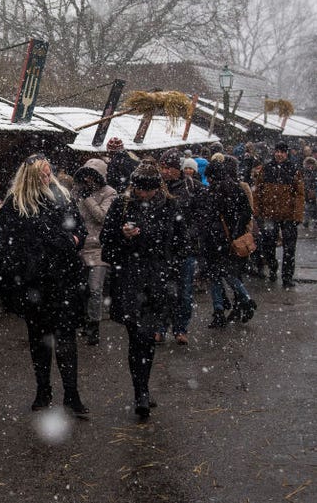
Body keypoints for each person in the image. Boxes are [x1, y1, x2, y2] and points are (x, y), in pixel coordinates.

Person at [0, 153, 89, 417]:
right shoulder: (16, 205)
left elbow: (80, 230)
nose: (47, 178)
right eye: (41, 174)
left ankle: (71, 394)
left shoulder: (63, 197)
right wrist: (22, 266)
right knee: (39, 340)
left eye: (49, 173)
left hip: (64, 280)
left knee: (66, 339)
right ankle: (43, 390)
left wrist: (73, 241)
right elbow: (5, 243)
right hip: (34, 284)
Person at [100, 163, 184, 419]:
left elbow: (179, 242)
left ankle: (143, 387)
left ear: (157, 188)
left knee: (147, 338)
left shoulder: (170, 207)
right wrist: (123, 236)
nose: (143, 195)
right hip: (129, 280)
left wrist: (172, 272)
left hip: (157, 280)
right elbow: (106, 240)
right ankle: (141, 392)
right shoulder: (121, 205)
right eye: (139, 190)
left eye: (147, 191)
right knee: (137, 336)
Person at [156, 148, 206, 345]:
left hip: (186, 249)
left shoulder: (194, 188)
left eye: (169, 167)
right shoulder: (158, 189)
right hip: (163, 250)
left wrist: (186, 235)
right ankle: (160, 328)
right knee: (162, 291)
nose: (165, 171)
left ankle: (180, 329)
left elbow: (201, 218)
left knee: (184, 292)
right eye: (163, 167)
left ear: (178, 168)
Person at [202, 159, 258, 327]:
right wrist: (236, 232)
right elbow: (247, 212)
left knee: (217, 276)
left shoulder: (212, 192)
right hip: (231, 241)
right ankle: (244, 301)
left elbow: (208, 218)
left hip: (215, 241)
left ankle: (220, 311)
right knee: (228, 274)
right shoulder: (236, 189)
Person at [73, 158, 117, 346]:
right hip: (80, 247)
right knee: (81, 289)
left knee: (95, 289)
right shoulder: (77, 192)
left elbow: (102, 217)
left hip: (99, 248)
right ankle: (83, 320)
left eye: (93, 176)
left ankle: (94, 326)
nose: (89, 181)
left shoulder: (110, 193)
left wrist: (88, 198)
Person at [254, 141, 305, 288]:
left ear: (286, 153)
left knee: (289, 248)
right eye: (277, 151)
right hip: (270, 215)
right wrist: (258, 211)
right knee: (268, 245)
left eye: (282, 152)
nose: (279, 154)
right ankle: (272, 266)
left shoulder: (294, 169)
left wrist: (297, 215)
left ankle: (287, 277)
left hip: (289, 216)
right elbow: (258, 191)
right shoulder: (267, 169)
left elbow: (300, 194)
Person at [303, 156, 317, 230]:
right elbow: (303, 183)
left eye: (311, 164)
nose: (310, 166)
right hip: (307, 193)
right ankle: (306, 221)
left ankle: (314, 222)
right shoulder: (305, 172)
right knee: (307, 208)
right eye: (308, 164)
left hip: (314, 193)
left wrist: (314, 190)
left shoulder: (315, 172)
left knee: (314, 209)